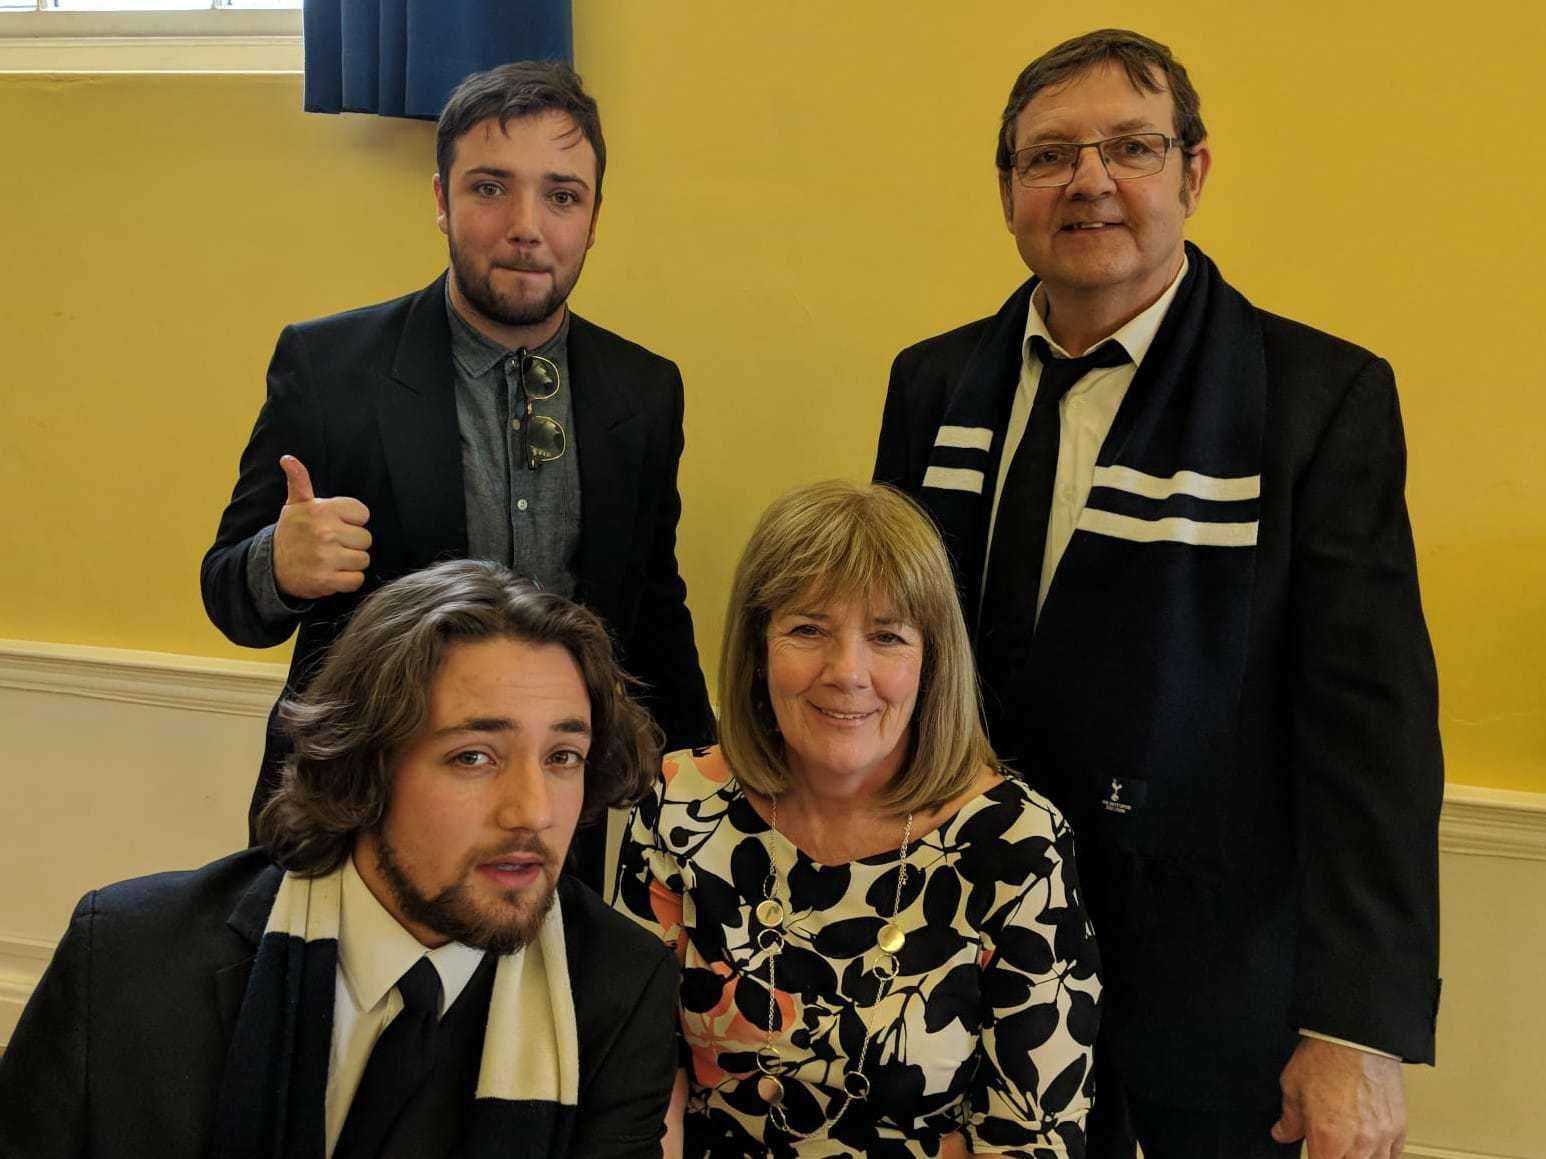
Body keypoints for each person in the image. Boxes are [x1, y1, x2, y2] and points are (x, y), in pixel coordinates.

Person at [873, 27, 1442, 1159]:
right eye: (1049, 156)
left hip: (1224, 996)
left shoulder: (1314, 401)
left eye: (1129, 146)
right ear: (1007, 192)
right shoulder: (933, 384)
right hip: (972, 956)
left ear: (1193, 171)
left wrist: (1354, 1029)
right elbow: (892, 666)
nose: (1088, 180)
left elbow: (1370, 733)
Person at [201, 61, 714, 889]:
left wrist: (702, 776)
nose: (525, 225)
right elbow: (227, 591)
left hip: (552, 825)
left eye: (561, 195)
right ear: (440, 199)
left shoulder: (645, 391)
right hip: (360, 819)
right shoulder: (331, 368)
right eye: (489, 188)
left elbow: (655, 599)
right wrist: (278, 567)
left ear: (593, 217)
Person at [0, 560, 680, 1159]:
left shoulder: (615, 990)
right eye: (474, 756)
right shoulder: (131, 953)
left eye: (564, 757)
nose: (533, 811)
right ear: (365, 767)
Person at [614, 481, 1101, 1157]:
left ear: (932, 662)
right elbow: (638, 1084)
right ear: (759, 650)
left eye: (887, 635)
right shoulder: (676, 802)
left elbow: (1032, 1138)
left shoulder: (1017, 842)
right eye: (808, 628)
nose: (847, 671)